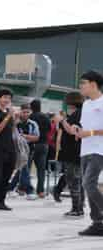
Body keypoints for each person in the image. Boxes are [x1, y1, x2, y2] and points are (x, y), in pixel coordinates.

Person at [75, 71, 103, 236]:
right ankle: (98, 223)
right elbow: (84, 128)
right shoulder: (86, 104)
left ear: (93, 84)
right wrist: (77, 130)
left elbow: (93, 131)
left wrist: (90, 133)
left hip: (99, 150)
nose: (81, 87)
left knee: (88, 183)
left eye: (83, 83)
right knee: (87, 186)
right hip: (85, 150)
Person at [54, 92, 85, 217]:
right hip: (76, 151)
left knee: (73, 181)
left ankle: (76, 209)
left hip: (73, 152)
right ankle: (79, 207)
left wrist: (62, 120)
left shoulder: (78, 113)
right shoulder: (79, 112)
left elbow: (72, 130)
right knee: (77, 180)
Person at [9, 104, 40, 200]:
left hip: (27, 149)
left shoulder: (33, 124)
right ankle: (27, 190)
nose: (26, 114)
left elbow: (36, 137)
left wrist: (25, 136)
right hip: (15, 149)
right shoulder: (15, 122)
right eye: (24, 112)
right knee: (22, 168)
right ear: (20, 112)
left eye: (28, 112)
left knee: (23, 168)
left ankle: (11, 188)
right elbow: (11, 134)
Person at [29, 99, 51, 198]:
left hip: (33, 144)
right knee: (41, 169)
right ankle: (40, 191)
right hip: (44, 145)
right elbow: (50, 129)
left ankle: (22, 188)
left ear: (31, 107)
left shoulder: (30, 117)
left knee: (26, 168)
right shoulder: (46, 117)